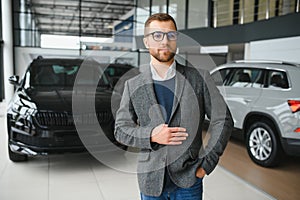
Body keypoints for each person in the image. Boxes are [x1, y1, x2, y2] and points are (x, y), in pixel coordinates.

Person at [114, 13, 233, 200]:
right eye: (157, 35)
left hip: (189, 180)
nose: (164, 41)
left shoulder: (199, 79)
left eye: (170, 35)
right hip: (150, 181)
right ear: (146, 42)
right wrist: (152, 135)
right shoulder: (133, 85)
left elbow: (223, 120)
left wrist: (206, 164)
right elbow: (120, 130)